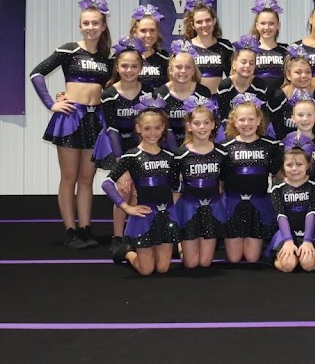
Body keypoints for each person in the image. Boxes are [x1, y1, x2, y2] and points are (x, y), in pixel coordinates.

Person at [30, 0, 113, 249]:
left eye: (95, 23)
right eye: (86, 23)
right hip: (71, 117)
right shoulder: (69, 50)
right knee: (69, 177)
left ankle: (86, 228)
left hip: (96, 118)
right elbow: (36, 73)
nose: (90, 27)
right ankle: (70, 230)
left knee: (87, 178)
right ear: (80, 25)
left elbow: (114, 88)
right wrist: (51, 103)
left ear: (103, 26)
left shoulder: (108, 58)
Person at [107, 97, 178, 274]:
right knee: (146, 271)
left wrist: (173, 212)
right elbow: (107, 183)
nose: (152, 133)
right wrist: (126, 207)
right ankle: (127, 253)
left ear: (163, 128)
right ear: (138, 128)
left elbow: (176, 187)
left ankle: (150, 251)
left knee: (162, 269)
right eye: (147, 128)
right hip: (143, 215)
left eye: (157, 128)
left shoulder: (170, 157)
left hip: (165, 215)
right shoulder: (131, 156)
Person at [93, 36, 146, 250]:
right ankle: (117, 237)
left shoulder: (148, 92)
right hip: (118, 146)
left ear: (141, 68)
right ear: (117, 67)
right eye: (124, 66)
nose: (129, 70)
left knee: (139, 191)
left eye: (134, 66)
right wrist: (121, 166)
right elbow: (112, 129)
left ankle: (134, 235)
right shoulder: (109, 94)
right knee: (124, 189)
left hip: (141, 146)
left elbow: (150, 126)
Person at [221, 94, 280, 264]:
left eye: (251, 119)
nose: (246, 123)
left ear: (259, 121)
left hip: (259, 203)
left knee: (252, 258)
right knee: (234, 259)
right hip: (233, 204)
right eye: (242, 119)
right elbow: (220, 178)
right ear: (234, 122)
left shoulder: (271, 146)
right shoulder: (224, 147)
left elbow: (278, 174)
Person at [171, 96, 227, 269]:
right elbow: (175, 186)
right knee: (191, 264)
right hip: (189, 208)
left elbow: (224, 182)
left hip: (212, 208)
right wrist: (173, 215)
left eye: (206, 123)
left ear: (213, 124)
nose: (202, 127)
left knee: (205, 263)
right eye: (197, 123)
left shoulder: (222, 153)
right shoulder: (180, 154)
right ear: (189, 126)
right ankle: (180, 244)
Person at [268, 147, 315, 273]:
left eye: (299, 164)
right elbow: (281, 215)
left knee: (308, 265)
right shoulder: (277, 189)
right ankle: (281, 258)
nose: (294, 169)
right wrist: (288, 240)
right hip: (285, 233)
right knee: (288, 265)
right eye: (289, 165)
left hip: (310, 233)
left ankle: (303, 256)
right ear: (283, 166)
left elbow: (311, 213)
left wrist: (307, 241)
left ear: (307, 165)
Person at [155, 40, 212, 145]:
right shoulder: (160, 94)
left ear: (193, 71)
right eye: (178, 67)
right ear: (170, 69)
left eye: (188, 67)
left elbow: (209, 124)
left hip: (196, 144)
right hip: (167, 145)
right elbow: (159, 127)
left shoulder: (202, 93)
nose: (183, 71)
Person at [215, 36, 271, 141]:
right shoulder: (225, 86)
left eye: (251, 63)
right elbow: (224, 118)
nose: (247, 66)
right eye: (243, 62)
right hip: (230, 132)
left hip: (254, 131)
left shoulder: (259, 85)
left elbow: (262, 116)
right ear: (234, 64)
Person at [267, 46, 315, 141]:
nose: (304, 76)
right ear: (288, 75)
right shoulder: (278, 97)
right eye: (298, 72)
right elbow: (277, 130)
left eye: (308, 72)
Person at [182, 0, 234, 95]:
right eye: (199, 22)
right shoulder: (185, 48)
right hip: (192, 101)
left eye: (208, 20)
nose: (204, 25)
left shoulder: (225, 47)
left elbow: (233, 77)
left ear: (214, 21)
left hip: (217, 101)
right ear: (192, 24)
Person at [250, 0, 288, 94]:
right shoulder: (249, 50)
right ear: (257, 25)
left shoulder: (287, 51)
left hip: (280, 99)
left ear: (278, 25)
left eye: (271, 23)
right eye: (263, 23)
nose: (267, 27)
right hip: (255, 99)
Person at [129, 4, 169, 92]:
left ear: (158, 31)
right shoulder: (122, 56)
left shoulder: (165, 58)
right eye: (143, 30)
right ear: (134, 31)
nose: (148, 35)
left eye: (152, 30)